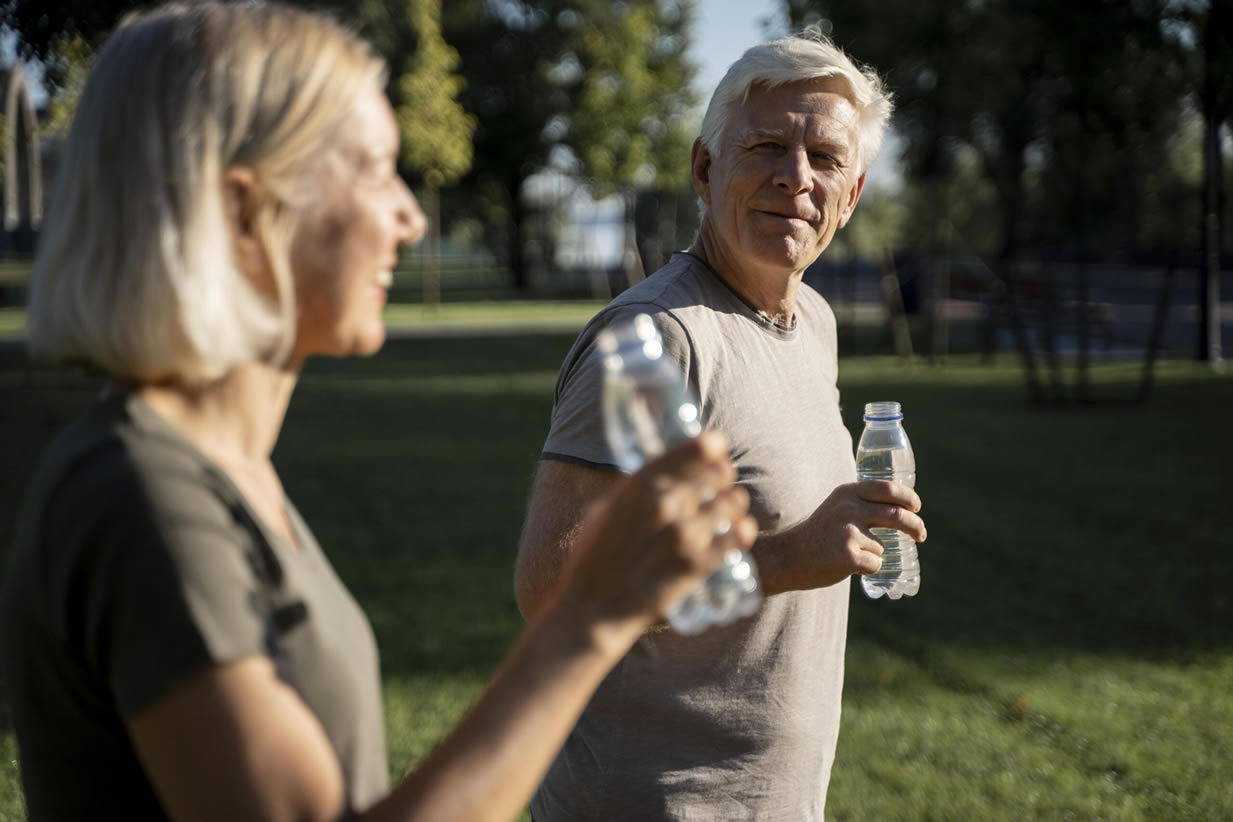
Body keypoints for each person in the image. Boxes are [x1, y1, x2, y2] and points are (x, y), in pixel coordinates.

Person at [0, 4, 759, 821]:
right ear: (246, 214)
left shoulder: (219, 471)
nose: (410, 217)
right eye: (372, 171)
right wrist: (590, 617)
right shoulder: (142, 500)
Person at [515, 30, 928, 820]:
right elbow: (551, 586)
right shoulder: (655, 339)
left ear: (854, 193)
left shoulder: (810, 320)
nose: (795, 179)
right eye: (766, 146)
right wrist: (788, 555)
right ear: (705, 170)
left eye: (825, 159)